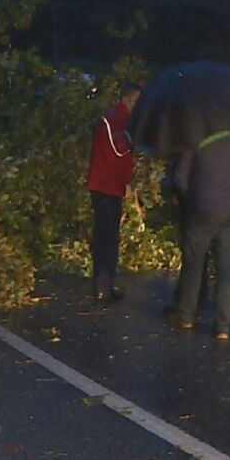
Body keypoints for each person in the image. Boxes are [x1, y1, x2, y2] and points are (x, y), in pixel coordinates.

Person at [165, 120, 230, 340]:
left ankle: (186, 315)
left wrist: (190, 198)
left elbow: (179, 177)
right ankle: (223, 326)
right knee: (227, 268)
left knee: (194, 263)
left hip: (203, 208)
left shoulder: (198, 138)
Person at [86, 82, 141, 301]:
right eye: (137, 101)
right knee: (106, 237)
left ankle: (106, 282)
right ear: (127, 99)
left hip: (112, 185)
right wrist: (134, 135)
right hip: (104, 186)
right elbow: (119, 148)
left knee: (109, 235)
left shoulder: (119, 119)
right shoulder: (110, 120)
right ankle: (103, 285)